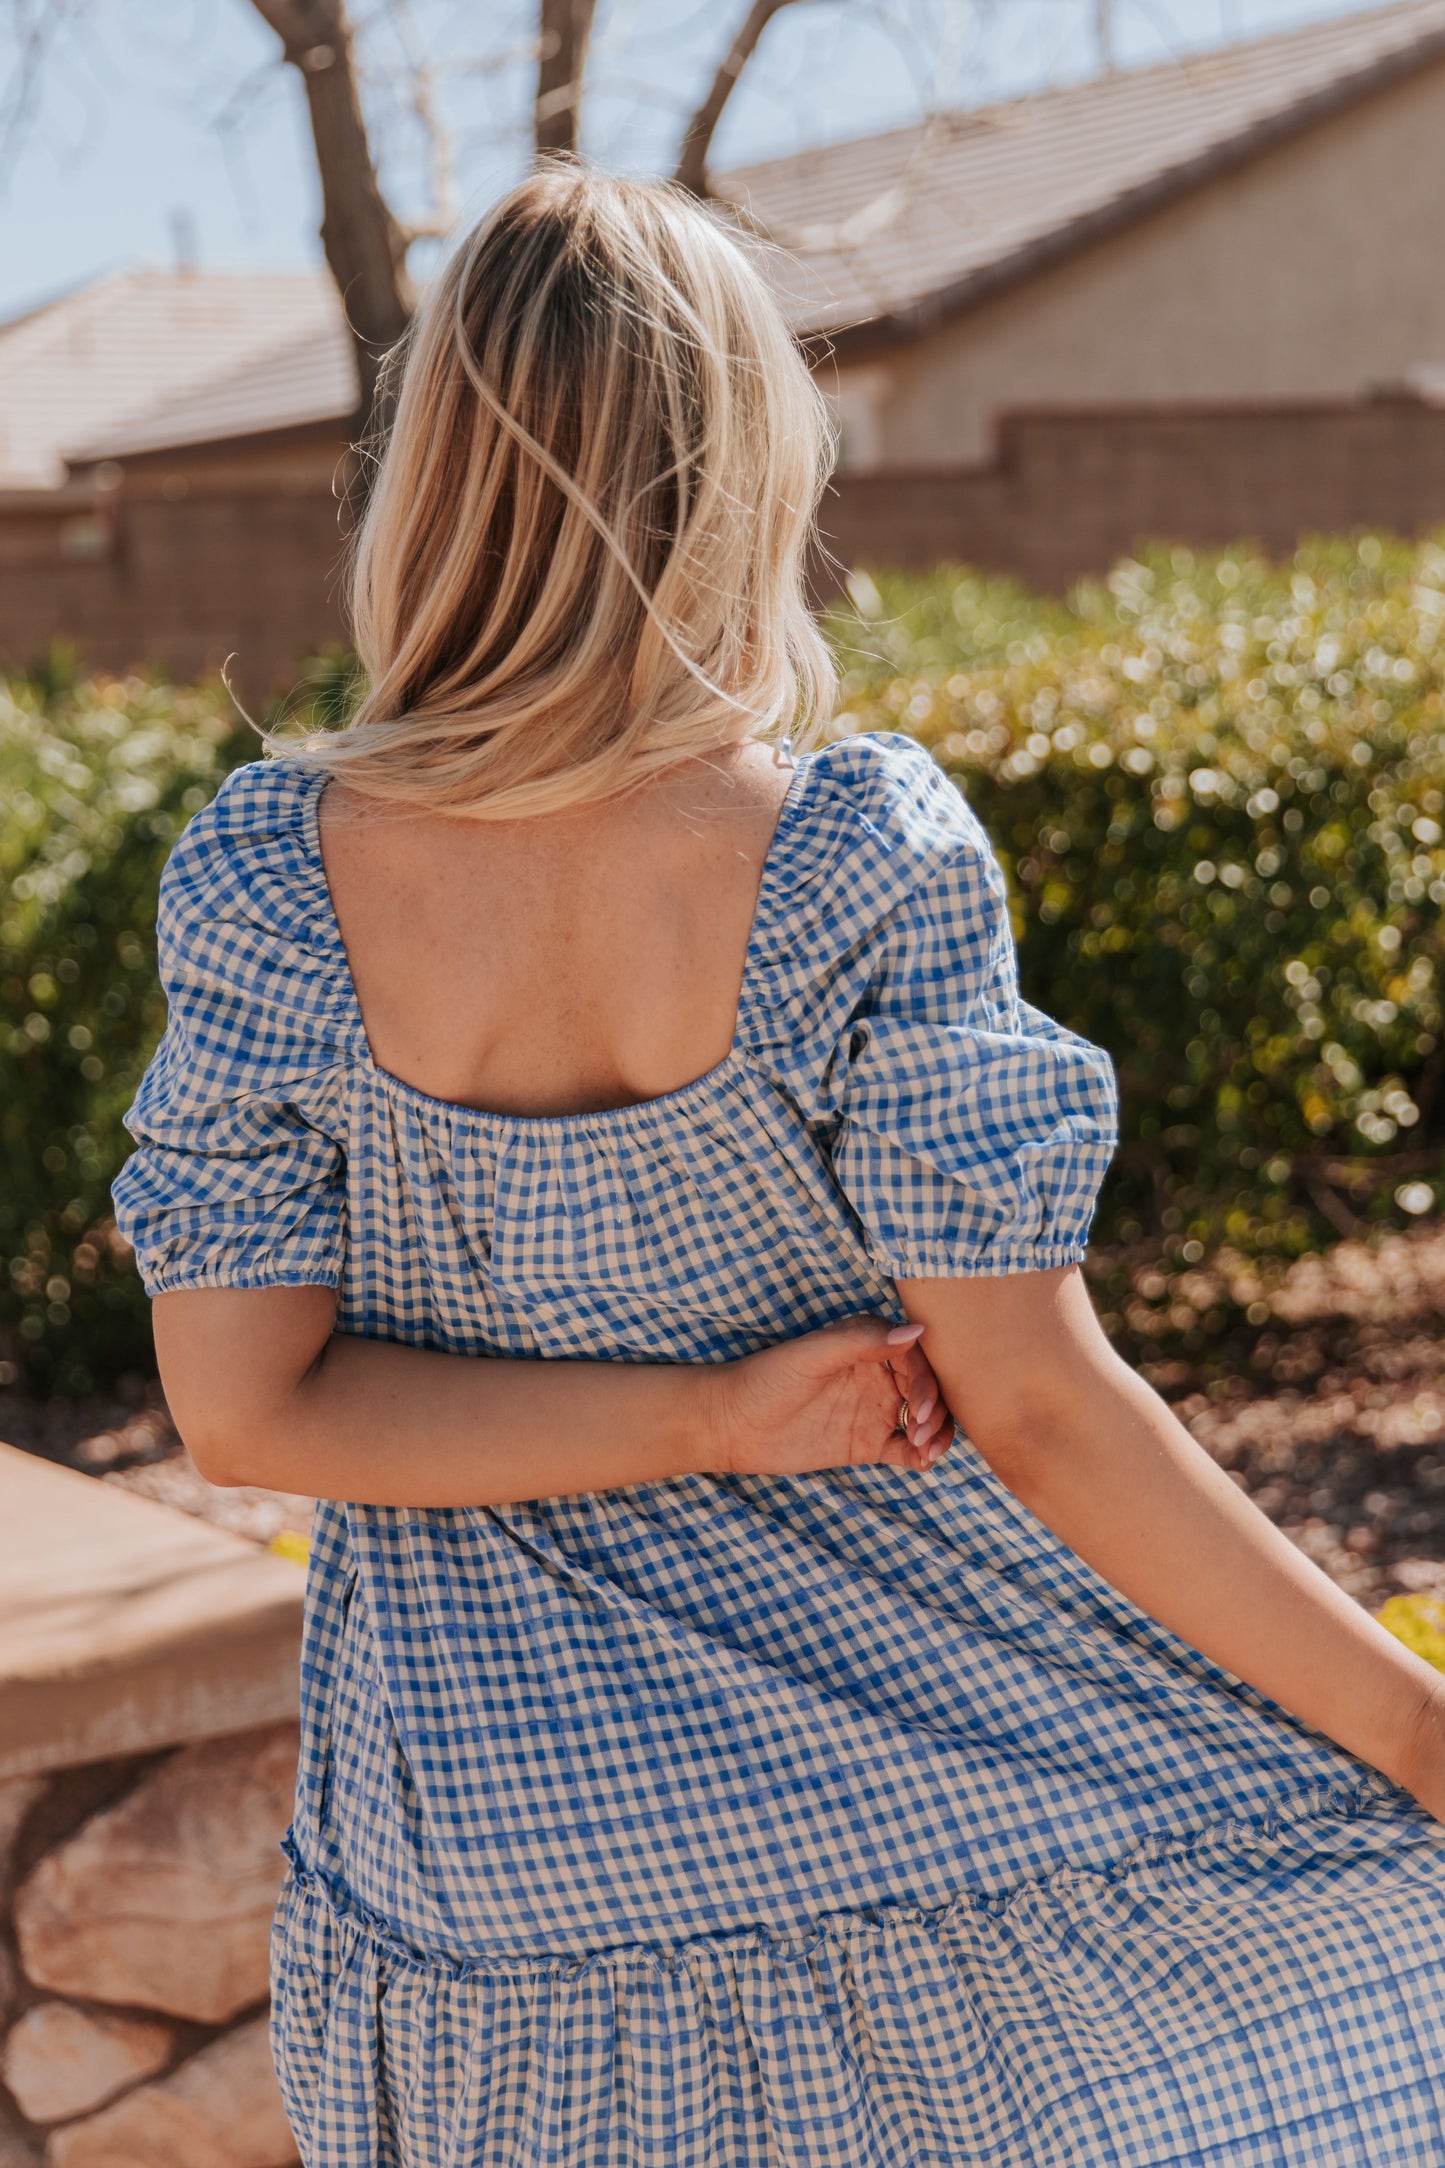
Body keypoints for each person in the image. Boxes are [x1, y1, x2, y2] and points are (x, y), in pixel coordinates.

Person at [112, 168, 1445, 2168]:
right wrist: (1418, 1731)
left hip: (500, 1852)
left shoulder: (264, 881)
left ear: (438, 470)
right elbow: (1046, 1411)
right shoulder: (850, 853)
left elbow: (245, 1410)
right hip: (939, 1776)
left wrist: (714, 1415)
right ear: (740, 460)